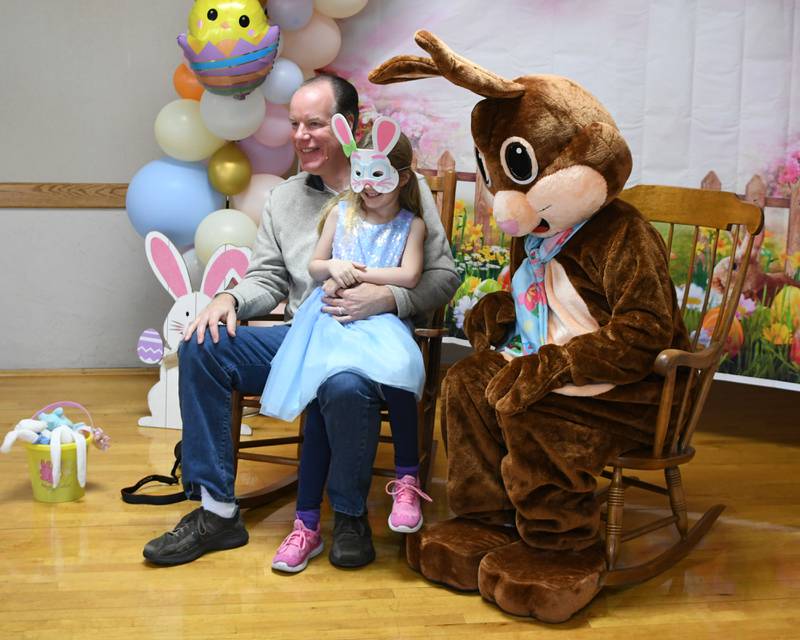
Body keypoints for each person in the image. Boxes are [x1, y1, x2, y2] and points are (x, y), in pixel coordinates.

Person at [142, 73, 459, 568]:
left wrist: (386, 298)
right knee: (201, 345)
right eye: (294, 124)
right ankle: (217, 512)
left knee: (346, 387)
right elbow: (267, 278)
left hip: (367, 348)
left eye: (314, 124)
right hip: (299, 338)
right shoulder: (286, 198)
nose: (300, 136)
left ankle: (350, 515)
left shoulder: (400, 189)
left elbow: (442, 278)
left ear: (348, 126)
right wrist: (229, 298)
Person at [265, 115, 434, 573]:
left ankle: (406, 479)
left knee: (401, 368)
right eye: (361, 175)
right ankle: (305, 524)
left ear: (400, 177)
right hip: (330, 326)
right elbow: (316, 265)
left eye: (378, 176)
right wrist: (334, 264)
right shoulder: (341, 212)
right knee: (322, 403)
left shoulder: (411, 225)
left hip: (378, 323)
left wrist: (358, 273)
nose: (368, 187)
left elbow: (410, 276)